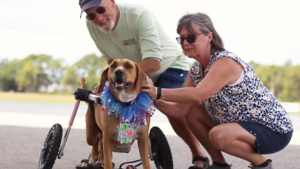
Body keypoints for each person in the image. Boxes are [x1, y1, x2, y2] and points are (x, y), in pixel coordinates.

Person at [142, 12, 294, 169]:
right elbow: (181, 111)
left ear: (209, 36)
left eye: (191, 37)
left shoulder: (224, 62)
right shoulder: (195, 70)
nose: (185, 43)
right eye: (182, 38)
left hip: (273, 130)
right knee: (192, 111)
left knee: (218, 135)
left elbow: (199, 94)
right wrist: (149, 97)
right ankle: (219, 165)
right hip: (241, 126)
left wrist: (157, 91)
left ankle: (261, 164)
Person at [77, 0, 210, 169]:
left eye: (101, 9)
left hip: (168, 65)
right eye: (91, 15)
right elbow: (112, 60)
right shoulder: (92, 25)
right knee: (112, 102)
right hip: (131, 73)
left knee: (167, 105)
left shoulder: (138, 15)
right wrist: (109, 81)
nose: (98, 17)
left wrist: (133, 83)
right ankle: (101, 150)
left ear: (111, 2)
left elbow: (154, 62)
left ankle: (199, 154)